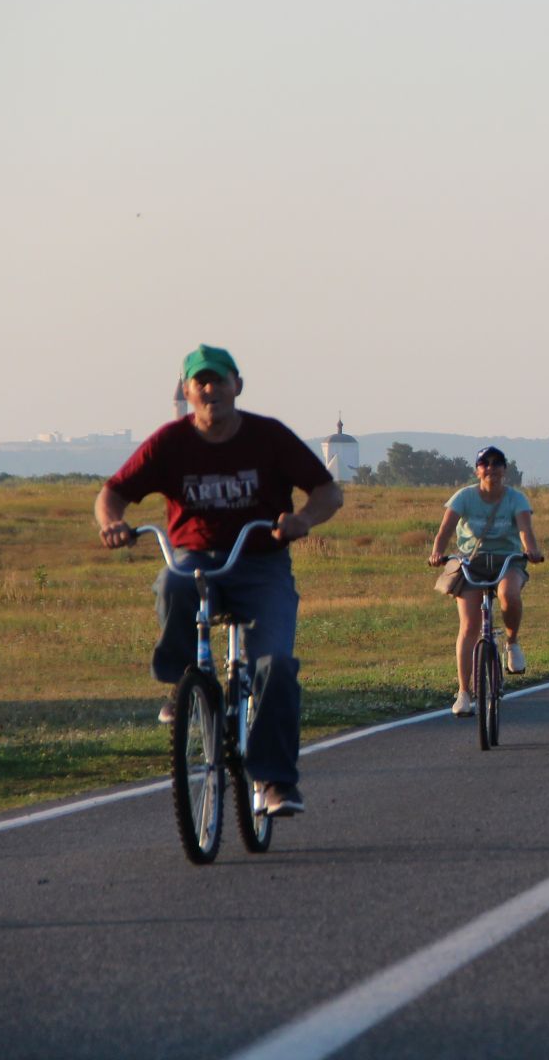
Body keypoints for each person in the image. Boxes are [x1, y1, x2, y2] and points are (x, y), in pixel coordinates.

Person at [95, 344, 343, 817]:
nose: (210, 390)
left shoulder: (268, 436)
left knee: (275, 666)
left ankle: (274, 782)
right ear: (186, 391)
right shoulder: (169, 442)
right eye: (200, 382)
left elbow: (329, 491)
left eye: (219, 380)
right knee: (172, 584)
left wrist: (303, 519)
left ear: (238, 385)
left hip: (261, 563)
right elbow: (113, 493)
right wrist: (112, 522)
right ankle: (183, 682)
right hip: (196, 560)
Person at [428, 447, 545, 717]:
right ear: (477, 470)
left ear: (505, 469)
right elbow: (445, 529)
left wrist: (532, 551)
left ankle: (512, 643)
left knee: (509, 594)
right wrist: (437, 552)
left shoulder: (516, 499)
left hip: (508, 559)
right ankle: (464, 692)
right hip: (472, 560)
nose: (490, 468)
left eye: (496, 464)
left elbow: (526, 530)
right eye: (484, 464)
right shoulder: (464, 497)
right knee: (469, 625)